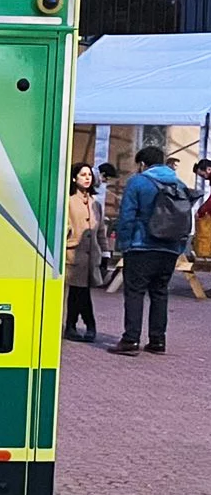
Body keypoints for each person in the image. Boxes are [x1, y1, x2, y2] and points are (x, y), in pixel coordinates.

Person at [110, 146, 193, 355]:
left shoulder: (138, 182)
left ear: (142, 164)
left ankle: (130, 339)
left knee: (135, 292)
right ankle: (157, 340)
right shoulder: (179, 184)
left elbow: (127, 215)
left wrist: (124, 244)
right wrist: (179, 247)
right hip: (170, 248)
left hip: (141, 246)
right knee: (160, 293)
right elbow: (186, 218)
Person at [64, 162, 106, 342]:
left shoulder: (95, 203)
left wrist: (105, 253)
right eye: (82, 175)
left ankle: (71, 326)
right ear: (74, 178)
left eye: (89, 175)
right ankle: (90, 324)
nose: (87, 178)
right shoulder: (68, 201)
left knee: (78, 292)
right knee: (80, 291)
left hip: (92, 256)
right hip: (74, 254)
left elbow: (101, 230)